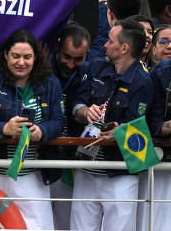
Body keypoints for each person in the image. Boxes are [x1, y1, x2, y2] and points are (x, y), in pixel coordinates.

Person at [0, 29, 63, 230]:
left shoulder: (50, 82)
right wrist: (4, 128)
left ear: (36, 57)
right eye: (15, 56)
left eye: (27, 57)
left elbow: (58, 122)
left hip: (34, 174)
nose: (21, 62)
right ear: (6, 55)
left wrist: (42, 131)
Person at [70, 20, 152, 231]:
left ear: (124, 48)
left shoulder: (144, 80)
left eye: (110, 40)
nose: (105, 45)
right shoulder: (96, 67)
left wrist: (120, 132)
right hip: (86, 168)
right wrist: (85, 112)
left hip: (120, 172)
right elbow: (77, 105)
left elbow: (142, 127)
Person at [48, 21, 91, 229]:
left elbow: (83, 104)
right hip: (42, 158)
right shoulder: (41, 69)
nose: (71, 64)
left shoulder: (89, 72)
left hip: (72, 160)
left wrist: (85, 112)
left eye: (78, 59)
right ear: (57, 47)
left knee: (67, 223)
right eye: (67, 57)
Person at [147, 27, 171, 229]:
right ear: (152, 48)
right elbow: (150, 122)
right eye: (164, 41)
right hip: (155, 161)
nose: (170, 46)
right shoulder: (153, 75)